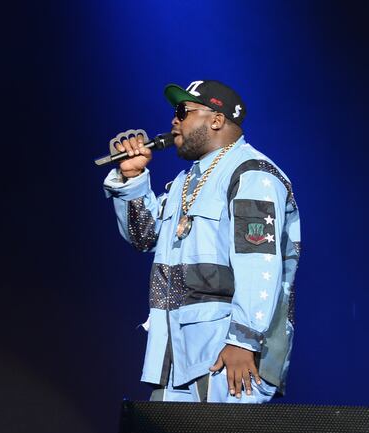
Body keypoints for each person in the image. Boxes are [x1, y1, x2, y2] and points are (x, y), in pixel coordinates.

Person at [102, 80, 300, 403]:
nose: (173, 120)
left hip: (228, 358)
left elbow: (259, 262)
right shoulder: (185, 182)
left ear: (217, 119)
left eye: (183, 111)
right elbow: (144, 236)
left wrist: (244, 340)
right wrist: (133, 178)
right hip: (176, 358)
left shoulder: (252, 174)